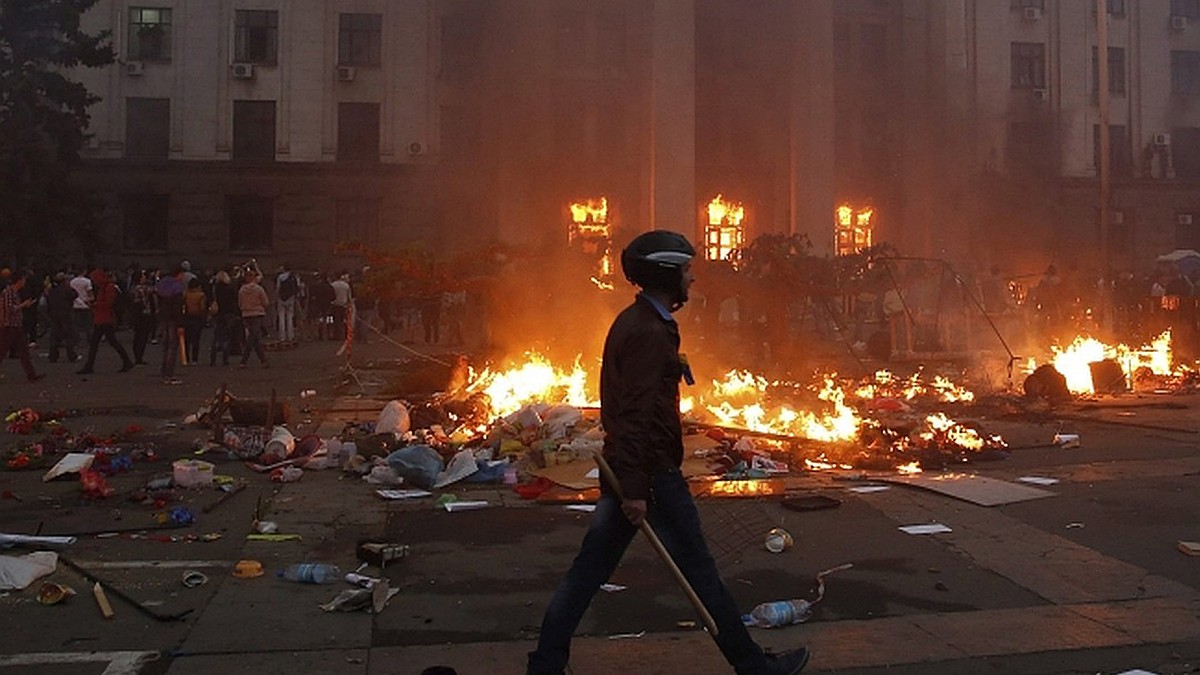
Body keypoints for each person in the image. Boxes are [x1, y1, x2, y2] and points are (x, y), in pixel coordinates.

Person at [525, 231, 810, 675]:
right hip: (652, 478)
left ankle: (545, 664)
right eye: (684, 270)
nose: (691, 279)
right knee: (701, 575)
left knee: (586, 575)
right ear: (665, 273)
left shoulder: (638, 322)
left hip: (632, 473)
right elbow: (635, 415)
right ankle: (754, 667)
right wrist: (637, 489)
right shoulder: (648, 333)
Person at [76, 269, 135, 375]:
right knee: (111, 342)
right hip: (105, 318)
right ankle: (126, 361)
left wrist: (94, 305)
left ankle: (90, 365)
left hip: (104, 318)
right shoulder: (106, 287)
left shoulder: (107, 288)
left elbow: (108, 303)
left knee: (98, 342)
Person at [0, 270, 45, 382]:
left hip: (16, 325)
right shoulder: (8, 292)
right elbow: (9, 308)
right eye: (24, 280)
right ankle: (31, 375)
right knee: (2, 350)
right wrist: (22, 305)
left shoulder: (13, 292)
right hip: (8, 325)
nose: (25, 282)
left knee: (23, 351)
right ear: (19, 280)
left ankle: (31, 375)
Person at [156, 265, 185, 383]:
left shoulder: (161, 284)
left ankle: (163, 370)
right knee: (173, 347)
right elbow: (178, 308)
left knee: (166, 345)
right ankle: (169, 374)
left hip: (163, 317)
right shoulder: (177, 287)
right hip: (173, 319)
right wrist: (181, 324)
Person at [238, 268, 270, 368]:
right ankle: (243, 361)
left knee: (254, 338)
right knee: (252, 338)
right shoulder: (259, 289)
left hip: (246, 314)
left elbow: (240, 303)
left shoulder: (242, 290)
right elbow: (266, 302)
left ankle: (263, 360)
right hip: (257, 314)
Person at [45, 273, 79, 363]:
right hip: (65, 312)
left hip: (54, 313)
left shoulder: (52, 290)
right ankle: (71, 355)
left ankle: (53, 355)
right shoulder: (66, 289)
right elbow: (75, 294)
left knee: (55, 334)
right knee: (69, 333)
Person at [209, 270, 238, 366]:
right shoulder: (230, 288)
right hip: (228, 313)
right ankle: (225, 359)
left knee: (216, 336)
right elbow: (234, 300)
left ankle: (213, 359)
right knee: (226, 336)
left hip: (217, 313)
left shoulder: (214, 289)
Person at [182, 277, 208, 365]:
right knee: (196, 339)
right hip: (197, 317)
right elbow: (202, 307)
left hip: (187, 317)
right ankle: (195, 359)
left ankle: (186, 358)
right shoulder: (201, 295)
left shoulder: (186, 294)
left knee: (187, 339)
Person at [276, 263, 299, 344]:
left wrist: (277, 297)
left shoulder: (280, 277)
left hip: (281, 298)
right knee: (290, 317)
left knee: (281, 317)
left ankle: (282, 337)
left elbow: (278, 288)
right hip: (291, 298)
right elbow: (297, 287)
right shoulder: (293, 277)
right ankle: (290, 336)